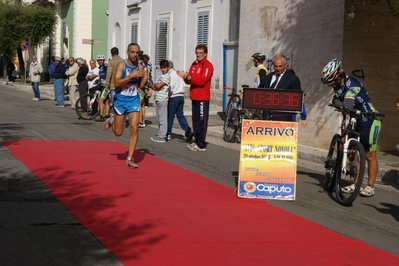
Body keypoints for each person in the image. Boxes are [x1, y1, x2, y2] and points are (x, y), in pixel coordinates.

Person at [321, 58, 382, 197]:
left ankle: (370, 186)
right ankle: (356, 183)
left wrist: (339, 104)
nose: (332, 85)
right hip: (356, 119)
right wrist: (336, 102)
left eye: (332, 81)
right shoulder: (338, 86)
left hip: (370, 119)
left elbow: (347, 104)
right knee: (350, 151)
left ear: (338, 75)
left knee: (369, 155)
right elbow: (336, 100)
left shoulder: (352, 83)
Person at [104, 43, 147, 168]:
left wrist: (144, 86)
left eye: (137, 52)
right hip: (120, 101)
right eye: (132, 52)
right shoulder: (121, 64)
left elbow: (140, 83)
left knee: (134, 128)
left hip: (133, 100)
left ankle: (129, 158)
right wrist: (131, 76)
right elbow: (116, 83)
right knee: (118, 133)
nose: (135, 54)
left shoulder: (140, 66)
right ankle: (113, 119)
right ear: (128, 52)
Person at [177, 44, 214, 152]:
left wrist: (189, 77)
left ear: (205, 54)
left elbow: (202, 81)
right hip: (194, 96)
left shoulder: (208, 66)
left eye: (200, 53)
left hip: (202, 97)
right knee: (195, 120)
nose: (198, 55)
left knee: (202, 121)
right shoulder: (194, 64)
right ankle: (197, 140)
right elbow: (190, 80)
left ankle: (201, 144)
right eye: (197, 53)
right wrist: (185, 77)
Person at [261, 54, 302, 121]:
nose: (278, 68)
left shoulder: (292, 79)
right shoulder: (269, 77)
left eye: (280, 66)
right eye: (275, 66)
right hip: (267, 117)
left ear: (285, 65)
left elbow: (297, 99)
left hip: (283, 118)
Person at [166, 60, 193, 141]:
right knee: (180, 115)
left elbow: (171, 86)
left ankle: (168, 133)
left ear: (167, 67)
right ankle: (187, 130)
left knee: (170, 116)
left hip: (173, 96)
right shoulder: (178, 73)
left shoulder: (170, 75)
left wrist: (167, 95)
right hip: (181, 95)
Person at [150, 59, 170, 143]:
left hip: (163, 99)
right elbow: (153, 86)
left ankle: (162, 136)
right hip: (158, 98)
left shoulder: (167, 77)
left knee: (162, 118)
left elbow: (158, 86)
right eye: (161, 68)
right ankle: (160, 133)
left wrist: (157, 86)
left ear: (168, 68)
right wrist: (156, 86)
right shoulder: (160, 76)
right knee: (158, 118)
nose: (163, 69)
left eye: (164, 68)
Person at [105, 47, 123, 119]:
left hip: (113, 85)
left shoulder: (111, 62)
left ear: (111, 53)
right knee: (121, 104)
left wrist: (107, 85)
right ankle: (122, 120)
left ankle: (115, 119)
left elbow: (109, 74)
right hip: (121, 85)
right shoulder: (122, 61)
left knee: (114, 103)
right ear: (118, 53)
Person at [95, 54, 109, 121]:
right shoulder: (99, 68)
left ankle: (101, 115)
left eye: (101, 60)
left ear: (103, 60)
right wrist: (98, 80)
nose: (100, 61)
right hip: (102, 86)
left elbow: (109, 74)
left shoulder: (105, 66)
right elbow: (102, 77)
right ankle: (106, 114)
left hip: (106, 86)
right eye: (99, 60)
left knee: (100, 100)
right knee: (106, 101)